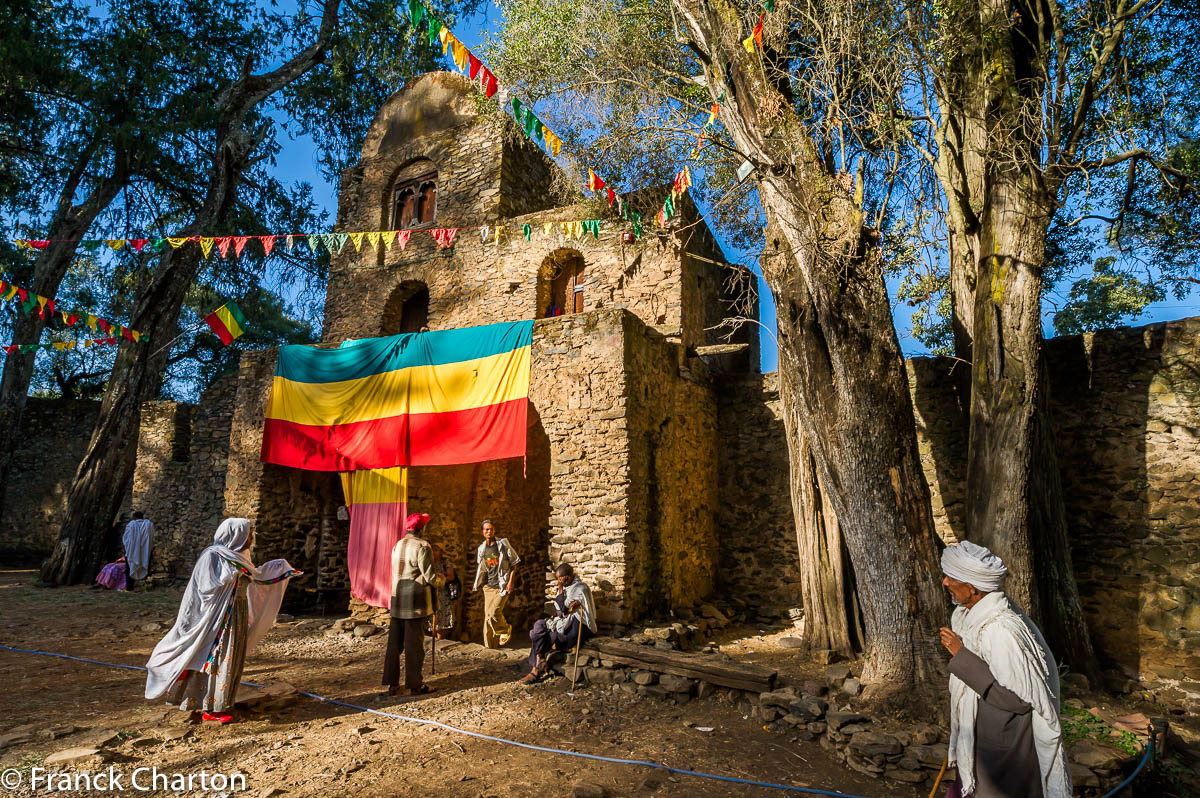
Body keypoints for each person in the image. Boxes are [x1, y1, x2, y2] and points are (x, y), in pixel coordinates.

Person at [939, 540, 1071, 798]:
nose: (945, 583)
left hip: (1004, 745)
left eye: (951, 578)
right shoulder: (969, 616)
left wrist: (961, 656)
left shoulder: (1000, 629)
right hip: (982, 735)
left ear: (972, 588)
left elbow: (1019, 699)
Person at [144, 518, 299, 724]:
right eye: (248, 534)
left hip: (237, 614)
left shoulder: (240, 556)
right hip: (216, 619)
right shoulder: (212, 556)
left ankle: (222, 703)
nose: (251, 539)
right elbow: (205, 587)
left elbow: (253, 578)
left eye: (250, 534)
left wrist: (276, 569)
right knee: (215, 656)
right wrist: (229, 576)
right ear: (234, 535)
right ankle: (210, 707)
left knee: (231, 657)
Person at [384, 512, 444, 696]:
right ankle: (415, 685)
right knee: (414, 646)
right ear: (421, 528)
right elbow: (429, 576)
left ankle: (392, 683)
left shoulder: (397, 545)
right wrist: (441, 581)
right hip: (414, 604)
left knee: (394, 645)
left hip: (396, 602)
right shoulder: (423, 546)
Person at [519, 562, 596, 684]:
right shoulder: (565, 587)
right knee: (538, 627)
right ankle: (540, 658)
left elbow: (564, 608)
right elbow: (559, 610)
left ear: (568, 577)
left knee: (546, 636)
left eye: (560, 579)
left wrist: (560, 590)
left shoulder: (581, 588)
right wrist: (561, 595)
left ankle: (535, 671)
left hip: (575, 628)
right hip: (562, 622)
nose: (558, 582)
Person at [472, 519, 521, 648]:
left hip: (502, 585)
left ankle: (505, 629)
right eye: (486, 529)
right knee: (487, 619)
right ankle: (491, 647)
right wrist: (482, 583)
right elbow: (481, 567)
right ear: (482, 532)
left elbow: (514, 562)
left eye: (491, 529)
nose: (489, 531)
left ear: (494, 530)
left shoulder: (502, 544)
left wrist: (511, 581)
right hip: (488, 587)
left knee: (494, 613)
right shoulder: (481, 548)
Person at [429, 544, 459, 640]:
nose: (434, 552)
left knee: (441, 620)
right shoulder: (428, 563)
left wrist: (442, 578)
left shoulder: (445, 563)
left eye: (436, 550)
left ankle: (439, 641)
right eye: (432, 550)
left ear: (441, 552)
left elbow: (452, 576)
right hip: (431, 593)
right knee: (431, 619)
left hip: (442, 594)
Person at [122, 511, 155, 591]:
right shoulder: (149, 525)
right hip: (145, 551)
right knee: (145, 567)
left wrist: (130, 547)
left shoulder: (131, 525)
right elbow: (152, 538)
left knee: (129, 568)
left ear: (134, 517)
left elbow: (126, 538)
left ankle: (130, 588)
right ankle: (145, 587)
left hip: (132, 552)